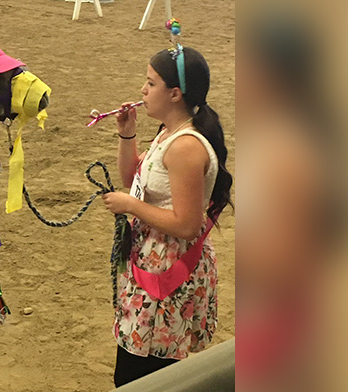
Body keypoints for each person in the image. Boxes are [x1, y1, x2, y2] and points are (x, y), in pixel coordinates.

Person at [101, 45, 233, 387]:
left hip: (168, 276)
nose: (142, 90)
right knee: (136, 366)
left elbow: (187, 225)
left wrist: (129, 207)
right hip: (153, 269)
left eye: (150, 83)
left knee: (147, 375)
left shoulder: (186, 147)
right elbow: (135, 182)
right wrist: (127, 134)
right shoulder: (168, 133)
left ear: (175, 93)